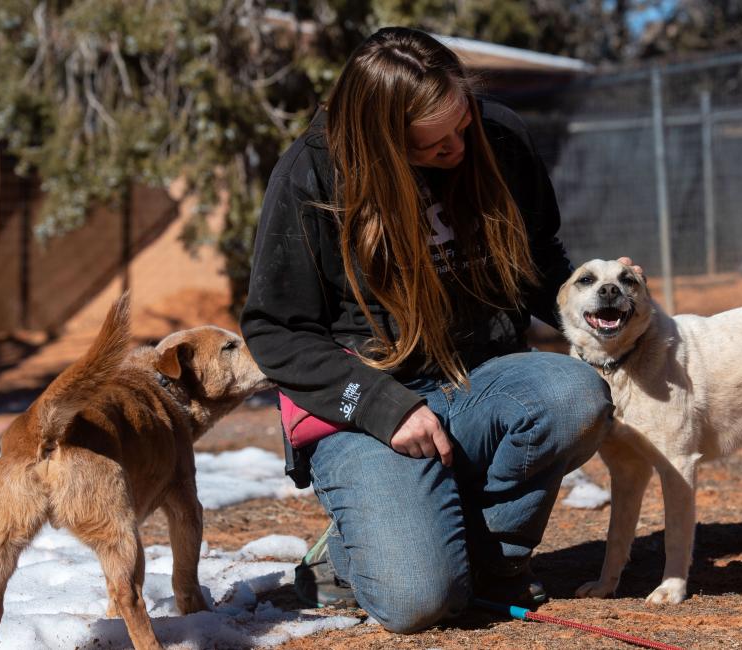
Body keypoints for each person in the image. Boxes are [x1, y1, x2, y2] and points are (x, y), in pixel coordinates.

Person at [240, 26, 612, 634]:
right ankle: (348, 556)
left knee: (576, 395)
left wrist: (603, 312)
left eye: (461, 126)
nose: (458, 150)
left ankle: (493, 563)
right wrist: (385, 407)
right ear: (381, 142)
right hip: (368, 410)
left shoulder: (500, 138)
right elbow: (277, 331)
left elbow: (539, 260)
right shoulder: (309, 176)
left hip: (477, 382)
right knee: (419, 602)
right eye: (432, 145)